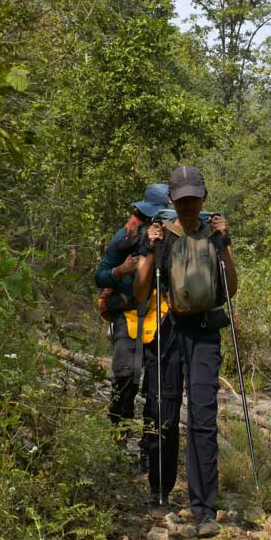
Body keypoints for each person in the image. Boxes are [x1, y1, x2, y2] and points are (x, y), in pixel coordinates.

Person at [134, 165, 235, 537]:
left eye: (194, 198)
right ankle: (160, 492)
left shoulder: (214, 235)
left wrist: (225, 244)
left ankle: (204, 509)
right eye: (183, 199)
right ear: (173, 200)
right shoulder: (161, 236)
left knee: (203, 417)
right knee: (164, 409)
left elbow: (230, 289)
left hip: (205, 331)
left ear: (203, 197)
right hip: (169, 329)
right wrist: (151, 249)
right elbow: (140, 291)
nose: (189, 205)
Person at [95, 183, 172, 468]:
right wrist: (121, 270)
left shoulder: (175, 236)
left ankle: (149, 451)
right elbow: (100, 275)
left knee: (156, 388)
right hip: (127, 316)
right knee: (125, 380)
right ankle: (118, 442)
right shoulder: (125, 235)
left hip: (160, 318)